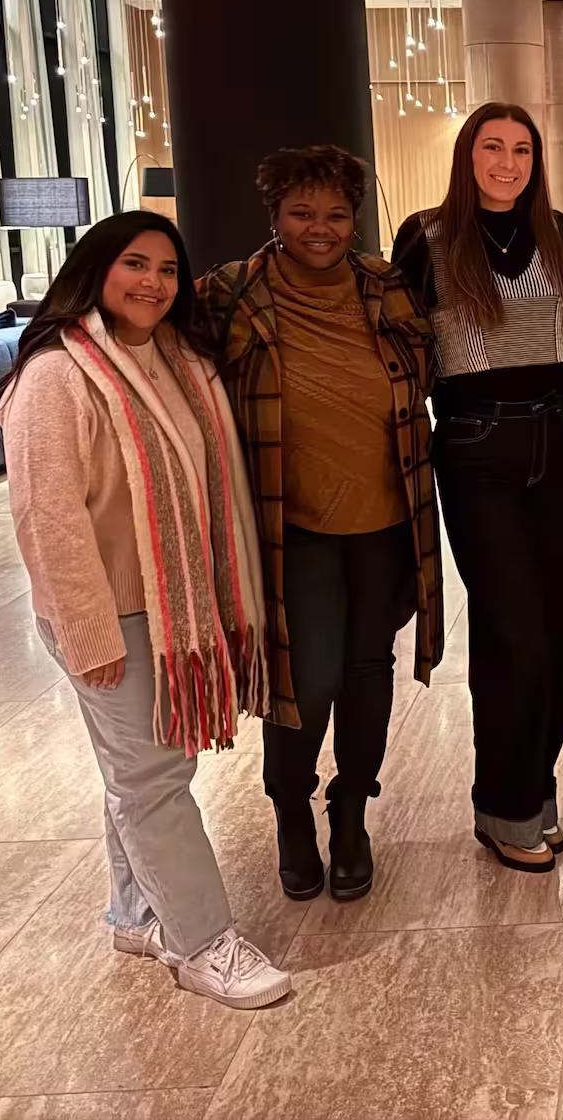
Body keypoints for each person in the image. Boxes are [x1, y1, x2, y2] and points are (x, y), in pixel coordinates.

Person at [0, 211, 290, 1009]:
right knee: (152, 779)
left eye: (166, 269)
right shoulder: (56, 376)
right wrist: (87, 632)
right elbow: (46, 517)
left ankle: (135, 914)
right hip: (112, 615)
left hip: (175, 610)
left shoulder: (176, 362)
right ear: (96, 270)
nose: (153, 283)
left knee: (141, 771)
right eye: (135, 264)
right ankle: (203, 942)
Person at [199, 146, 442, 905]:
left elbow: (427, 368)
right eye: (303, 213)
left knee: (369, 673)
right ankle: (290, 812)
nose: (321, 229)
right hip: (290, 526)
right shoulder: (230, 295)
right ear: (274, 215)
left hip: (385, 518)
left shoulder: (384, 286)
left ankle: (350, 812)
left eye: (336, 214)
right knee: (304, 679)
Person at [392, 102, 563, 873]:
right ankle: (503, 808)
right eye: (492, 148)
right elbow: (406, 346)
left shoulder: (559, 234)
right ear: (468, 156)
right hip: (476, 445)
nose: (507, 163)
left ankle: (532, 786)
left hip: (555, 433)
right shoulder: (429, 236)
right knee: (514, 636)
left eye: (521, 151)